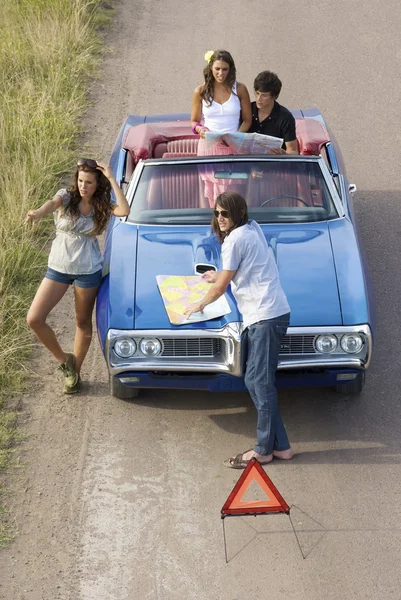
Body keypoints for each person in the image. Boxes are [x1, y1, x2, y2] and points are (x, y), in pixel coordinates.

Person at [184, 191, 293, 468]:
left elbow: (222, 287)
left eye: (225, 213)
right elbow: (234, 271)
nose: (220, 218)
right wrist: (215, 275)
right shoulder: (252, 229)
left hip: (264, 317)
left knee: (259, 381)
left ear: (238, 214)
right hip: (271, 313)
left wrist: (197, 305)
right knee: (257, 380)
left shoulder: (234, 240)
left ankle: (263, 450)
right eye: (217, 213)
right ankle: (280, 447)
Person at [25, 159, 130, 394]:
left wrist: (112, 178)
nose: (83, 186)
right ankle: (65, 362)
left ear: (97, 184)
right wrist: (38, 212)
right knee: (34, 318)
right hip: (58, 268)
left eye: (89, 182)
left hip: (88, 270)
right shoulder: (67, 196)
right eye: (81, 180)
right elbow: (51, 204)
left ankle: (75, 375)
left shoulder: (103, 204)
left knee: (82, 323)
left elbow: (124, 210)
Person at [191, 50, 252, 206]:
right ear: (211, 68)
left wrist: (235, 138)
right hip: (209, 148)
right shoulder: (200, 91)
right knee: (215, 197)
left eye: (225, 69)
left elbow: (247, 120)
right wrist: (201, 130)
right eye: (217, 68)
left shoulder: (240, 89)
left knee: (234, 195)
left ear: (231, 69)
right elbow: (194, 121)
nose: (221, 73)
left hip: (234, 146)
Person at [249, 70, 298, 154]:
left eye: (264, 95)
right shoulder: (247, 110)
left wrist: (284, 154)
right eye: (257, 93)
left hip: (274, 164)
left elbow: (293, 150)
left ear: (274, 96)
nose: (258, 99)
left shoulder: (285, 117)